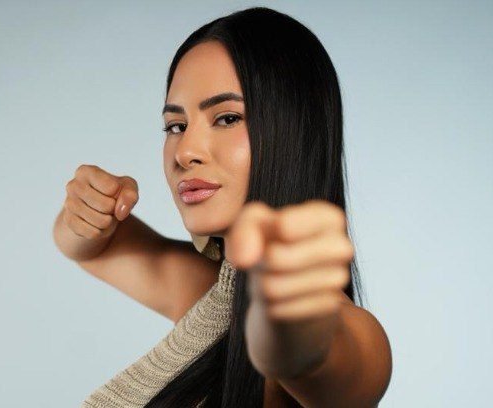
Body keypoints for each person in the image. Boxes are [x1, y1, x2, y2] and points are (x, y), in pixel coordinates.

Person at [53, 6, 392, 407]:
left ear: (293, 130)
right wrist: (89, 211)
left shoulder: (353, 338)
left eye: (227, 118)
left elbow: (308, 354)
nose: (185, 152)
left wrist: (284, 322)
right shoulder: (213, 297)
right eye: (176, 126)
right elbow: (91, 248)